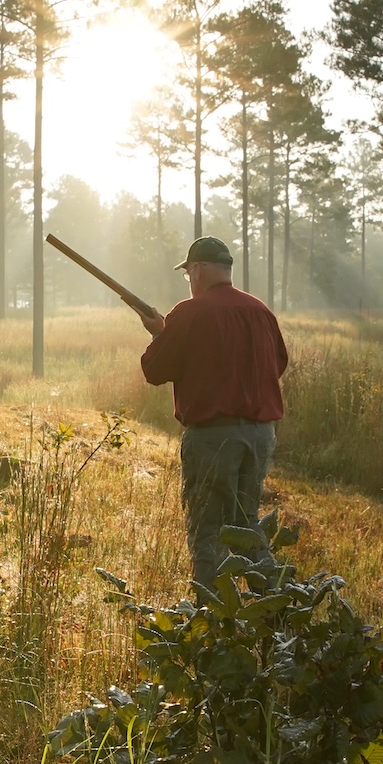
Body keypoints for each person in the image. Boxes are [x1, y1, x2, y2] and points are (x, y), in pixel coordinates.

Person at [137, 236, 290, 589]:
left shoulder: (190, 312)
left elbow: (155, 371)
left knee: (208, 530)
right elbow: (276, 364)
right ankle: (274, 615)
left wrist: (160, 336)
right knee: (246, 525)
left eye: (189, 272)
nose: (189, 281)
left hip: (212, 439)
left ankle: (214, 624)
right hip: (261, 435)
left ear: (199, 269)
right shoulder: (260, 311)